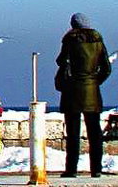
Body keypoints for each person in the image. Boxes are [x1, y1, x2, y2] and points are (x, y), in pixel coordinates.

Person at [55, 12, 111, 178]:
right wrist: (94, 82)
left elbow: (61, 61)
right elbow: (106, 68)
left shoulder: (69, 40)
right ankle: (96, 169)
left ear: (73, 24)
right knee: (95, 133)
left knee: (73, 133)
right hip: (92, 91)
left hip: (72, 91)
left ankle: (71, 169)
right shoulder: (98, 40)